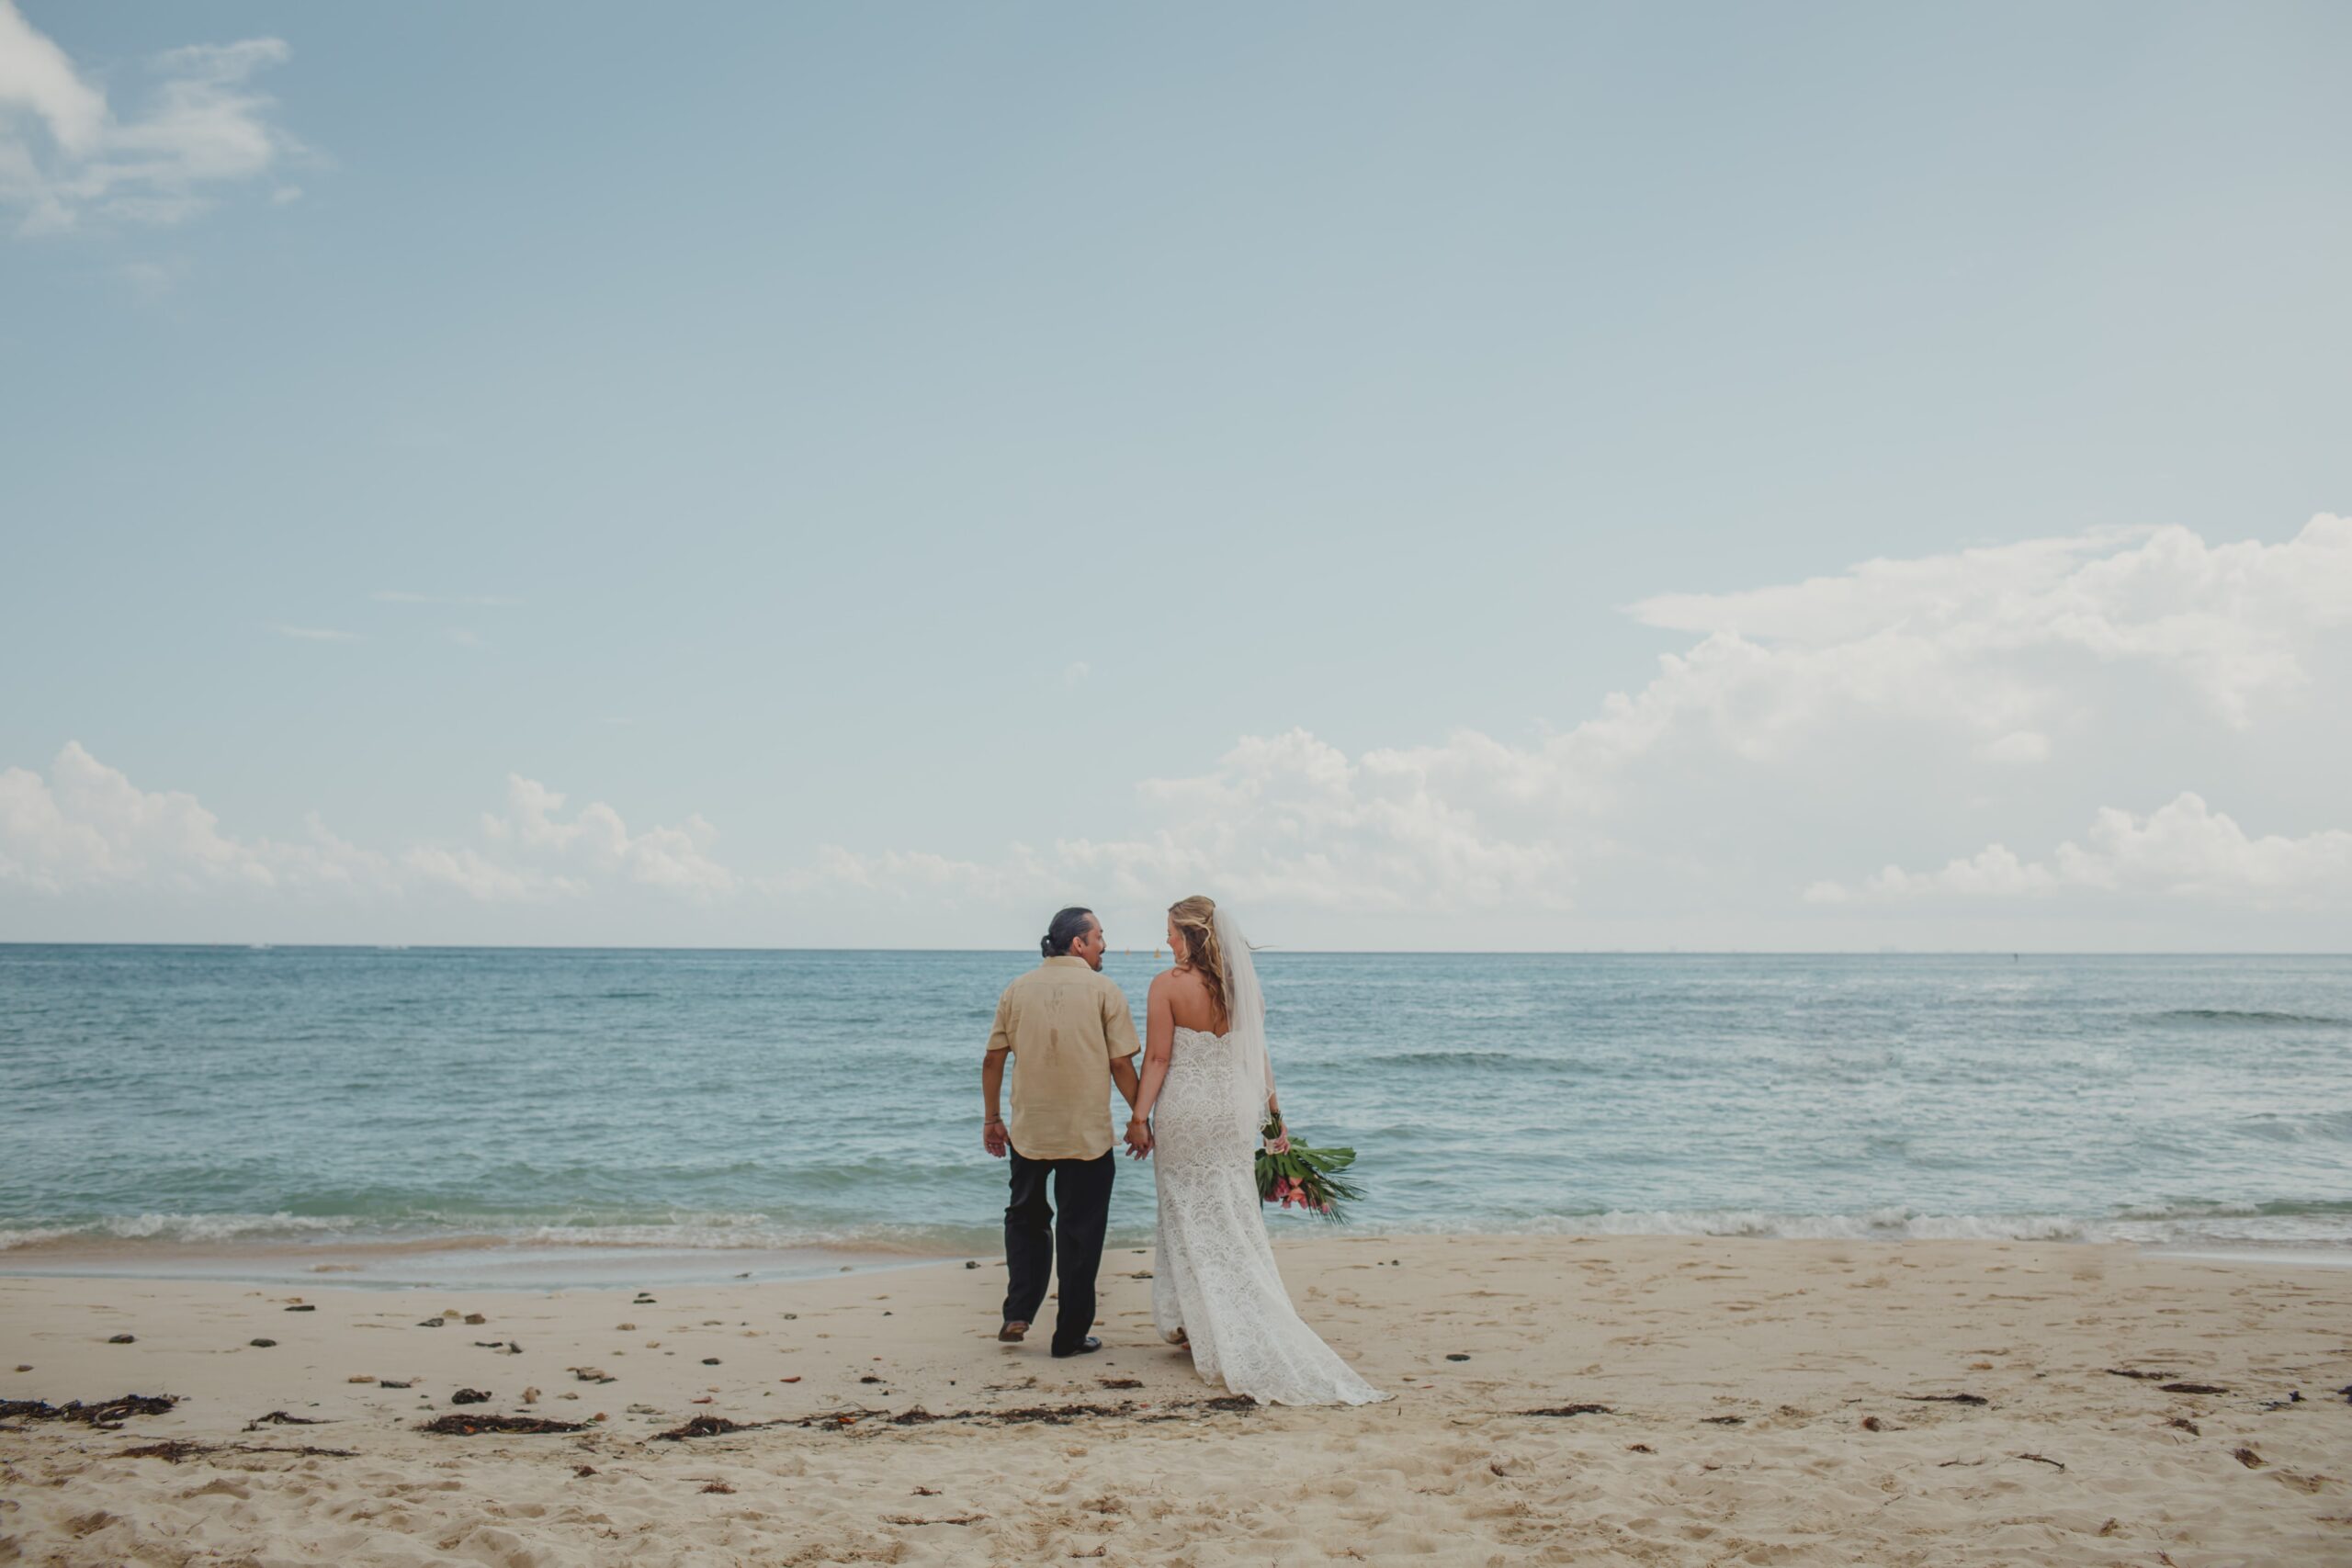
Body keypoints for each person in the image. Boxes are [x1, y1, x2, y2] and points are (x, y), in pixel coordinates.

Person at [1125, 895, 1388, 1405]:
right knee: (1233, 1211)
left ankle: (1198, 1323)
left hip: (1186, 1111)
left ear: (1191, 935)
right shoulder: (1244, 991)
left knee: (1186, 1212)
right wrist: (1274, 1117)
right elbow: (1257, 1058)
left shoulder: (1166, 987)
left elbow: (1157, 1058)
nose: (1166, 941)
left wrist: (1138, 1118)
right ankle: (1212, 1315)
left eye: (1172, 933)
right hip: (1233, 1112)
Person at [981, 905, 1142, 1358]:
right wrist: (1140, 1119)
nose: (1104, 945)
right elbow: (1119, 1064)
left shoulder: (1017, 989)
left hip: (1030, 1131)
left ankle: (1018, 1311)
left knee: (1025, 1218)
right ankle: (1069, 1336)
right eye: (1100, 937)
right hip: (1085, 1135)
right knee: (1080, 1233)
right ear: (1079, 943)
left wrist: (992, 1119)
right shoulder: (1103, 990)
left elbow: (993, 1059)